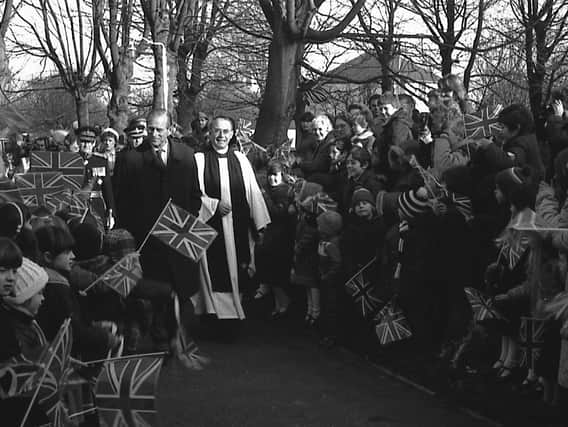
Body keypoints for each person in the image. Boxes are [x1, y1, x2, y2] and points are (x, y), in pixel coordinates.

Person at [114, 109, 206, 367]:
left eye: (159, 129)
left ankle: (178, 337)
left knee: (181, 290)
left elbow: (194, 194)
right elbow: (122, 203)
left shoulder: (186, 155)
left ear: (170, 129)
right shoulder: (130, 158)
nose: (153, 134)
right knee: (156, 292)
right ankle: (161, 341)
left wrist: (188, 218)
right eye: (150, 129)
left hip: (179, 233)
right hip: (147, 238)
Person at [192, 115, 269, 326]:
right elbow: (192, 193)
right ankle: (214, 318)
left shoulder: (241, 160)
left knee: (239, 270)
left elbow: (253, 192)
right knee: (215, 273)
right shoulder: (199, 160)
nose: (221, 136)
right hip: (212, 226)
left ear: (233, 134)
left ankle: (234, 318)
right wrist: (213, 205)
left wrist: (260, 223)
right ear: (209, 133)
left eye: (226, 131)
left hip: (238, 227)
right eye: (217, 130)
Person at [77, 126, 116, 230]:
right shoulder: (71, 161)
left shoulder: (101, 161)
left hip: (96, 206)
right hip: (76, 206)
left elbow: (107, 189)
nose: (86, 145)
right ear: (78, 142)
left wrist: (110, 211)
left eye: (90, 142)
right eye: (83, 141)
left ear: (94, 143)